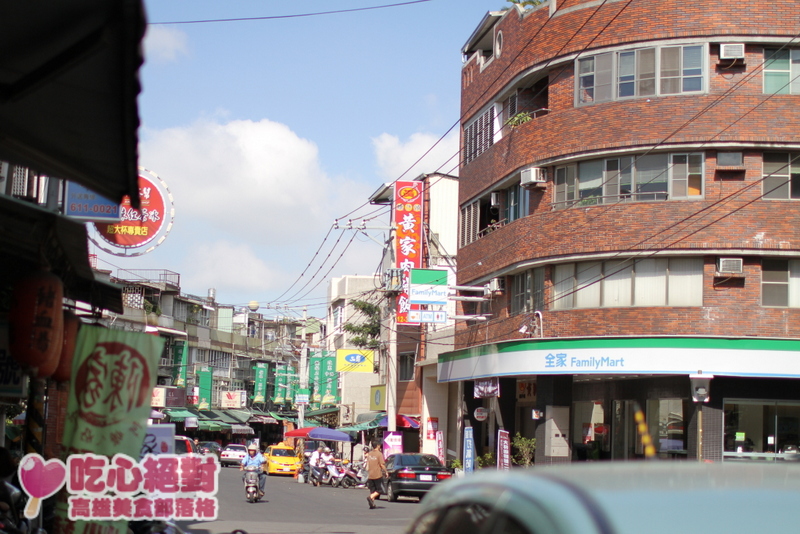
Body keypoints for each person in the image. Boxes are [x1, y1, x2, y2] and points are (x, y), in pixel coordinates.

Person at [365, 439, 387, 509]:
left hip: (370, 475)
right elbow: (382, 464)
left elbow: (367, 464)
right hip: (377, 475)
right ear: (378, 446)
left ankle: (372, 504)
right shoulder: (379, 454)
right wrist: (386, 471)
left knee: (372, 490)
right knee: (380, 490)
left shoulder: (370, 454)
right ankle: (370, 497)